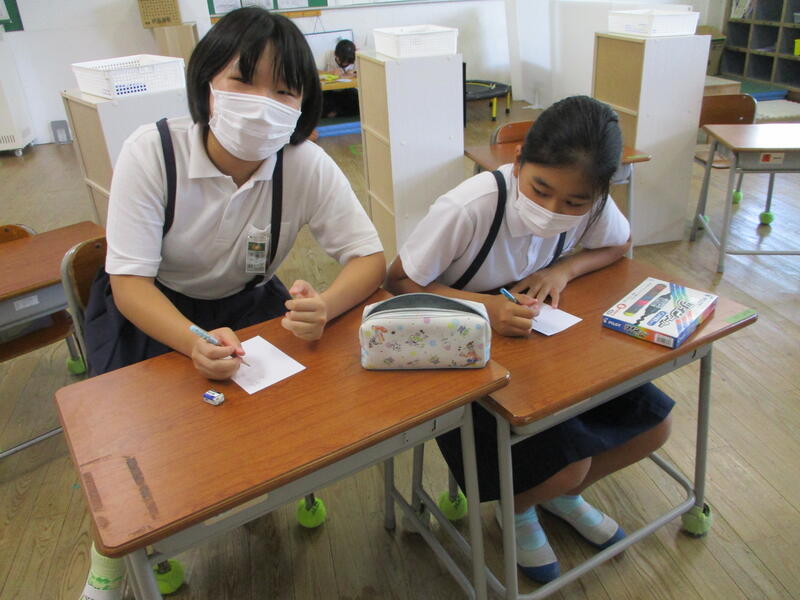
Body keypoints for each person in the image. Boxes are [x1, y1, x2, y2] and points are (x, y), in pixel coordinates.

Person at [80, 7, 384, 600]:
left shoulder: (303, 164)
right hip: (154, 310)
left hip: (247, 305)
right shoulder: (154, 152)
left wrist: (326, 305)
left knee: (279, 421)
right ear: (206, 85)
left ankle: (283, 483)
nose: (262, 102)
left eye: (284, 90)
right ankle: (114, 558)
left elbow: (368, 258)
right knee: (133, 446)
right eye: (243, 81)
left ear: (303, 106)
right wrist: (193, 341)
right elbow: (130, 284)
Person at [385, 95, 673, 584]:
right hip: (466, 355)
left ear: (599, 193)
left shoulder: (593, 205)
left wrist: (563, 270)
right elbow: (398, 281)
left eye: (574, 204)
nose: (552, 210)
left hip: (541, 347)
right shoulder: (471, 207)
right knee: (568, 462)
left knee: (653, 427)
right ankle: (519, 508)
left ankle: (557, 497)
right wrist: (484, 307)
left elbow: (619, 243)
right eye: (540, 190)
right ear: (518, 163)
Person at [321, 38, 359, 119]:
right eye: (342, 62)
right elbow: (312, 70)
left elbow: (367, 73)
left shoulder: (359, 56)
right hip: (330, 90)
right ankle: (332, 113)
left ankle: (337, 113)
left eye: (348, 63)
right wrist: (329, 73)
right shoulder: (328, 54)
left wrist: (355, 73)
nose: (345, 65)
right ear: (335, 55)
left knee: (355, 97)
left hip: (348, 91)